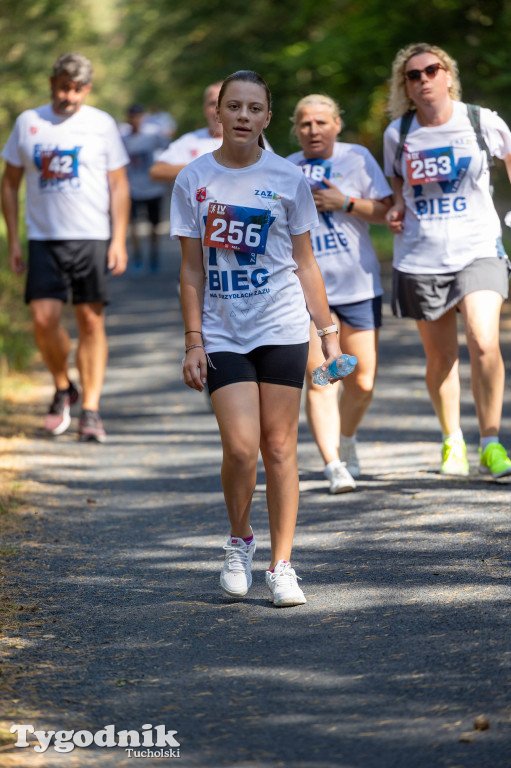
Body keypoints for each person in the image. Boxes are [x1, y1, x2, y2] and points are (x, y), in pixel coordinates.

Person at [170, 70, 342, 607]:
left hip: (281, 325)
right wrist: (193, 340)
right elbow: (192, 272)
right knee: (242, 449)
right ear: (217, 113)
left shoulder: (288, 178)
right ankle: (240, 539)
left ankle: (283, 564)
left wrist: (328, 332)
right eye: (233, 106)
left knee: (280, 446)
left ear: (268, 117)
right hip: (222, 331)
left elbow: (306, 264)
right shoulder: (193, 180)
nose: (243, 116)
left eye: (254, 108)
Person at [383, 42, 511, 479]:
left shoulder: (479, 120)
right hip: (422, 257)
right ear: (406, 86)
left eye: (431, 70)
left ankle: (491, 442)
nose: (423, 80)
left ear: (448, 76)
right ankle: (452, 439)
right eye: (413, 75)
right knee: (441, 360)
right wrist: (397, 209)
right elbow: (398, 191)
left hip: (479, 248)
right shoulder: (398, 133)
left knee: (483, 340)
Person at [1, 53, 130, 442]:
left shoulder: (101, 124)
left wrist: (118, 239)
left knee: (91, 322)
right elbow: (9, 183)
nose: (69, 96)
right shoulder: (30, 123)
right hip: (43, 237)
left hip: (91, 236)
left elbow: (119, 184)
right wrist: (13, 241)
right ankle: (63, 386)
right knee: (43, 320)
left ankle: (90, 408)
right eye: (63, 87)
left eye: (77, 89)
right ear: (51, 82)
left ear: (87, 89)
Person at [287, 95, 392, 494]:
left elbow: (387, 212)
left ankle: (346, 439)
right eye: (305, 124)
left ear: (337, 124)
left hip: (359, 284)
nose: (313, 130)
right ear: (296, 130)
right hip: (307, 292)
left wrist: (344, 202)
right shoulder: (285, 169)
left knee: (362, 381)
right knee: (321, 379)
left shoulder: (358, 157)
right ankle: (333, 464)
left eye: (321, 122)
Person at [122, 104, 168, 274]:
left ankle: (154, 257)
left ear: (142, 117)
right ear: (128, 118)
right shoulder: (123, 138)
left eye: (138, 116)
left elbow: (167, 148)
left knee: (154, 226)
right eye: (132, 116)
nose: (135, 120)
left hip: (153, 188)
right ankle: (137, 259)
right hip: (132, 188)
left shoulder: (152, 134)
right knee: (133, 225)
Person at [150, 82, 223, 184]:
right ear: (204, 108)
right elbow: (156, 171)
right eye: (212, 104)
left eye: (224, 103)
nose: (217, 110)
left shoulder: (249, 142)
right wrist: (200, 168)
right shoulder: (190, 140)